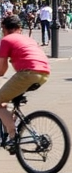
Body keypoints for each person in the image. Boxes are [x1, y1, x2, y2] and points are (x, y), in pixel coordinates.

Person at [0, 15, 50, 150]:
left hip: (28, 73)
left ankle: (12, 137)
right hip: (44, 72)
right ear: (19, 28)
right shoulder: (28, 39)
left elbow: (2, 69)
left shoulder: (6, 40)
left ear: (4, 28)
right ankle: (13, 125)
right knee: (8, 100)